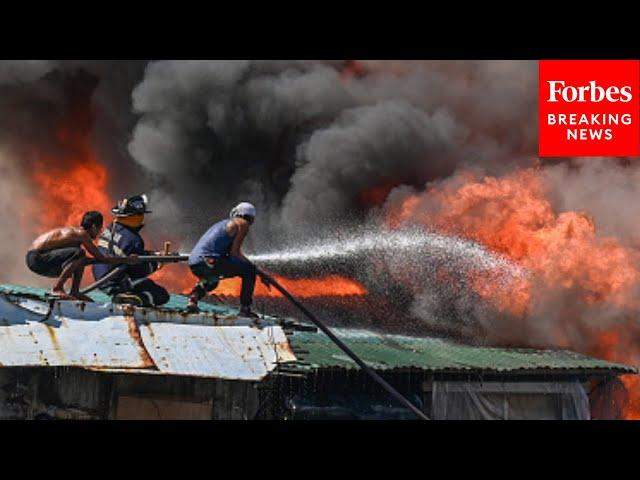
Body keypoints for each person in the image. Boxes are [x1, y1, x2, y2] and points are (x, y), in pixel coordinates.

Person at [26, 211, 138, 301]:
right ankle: (57, 288)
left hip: (37, 259)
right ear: (94, 227)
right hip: (36, 258)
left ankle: (75, 291)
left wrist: (94, 261)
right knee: (79, 253)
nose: (99, 233)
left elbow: (85, 261)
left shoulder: (76, 234)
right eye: (99, 229)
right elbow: (102, 258)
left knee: (80, 257)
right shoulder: (81, 234)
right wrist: (127, 259)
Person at [186, 202, 265, 317]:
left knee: (212, 280)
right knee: (249, 270)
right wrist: (255, 269)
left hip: (195, 263)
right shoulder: (242, 223)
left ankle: (193, 301)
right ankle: (245, 309)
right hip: (210, 262)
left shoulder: (222, 223)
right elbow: (235, 253)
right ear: (251, 218)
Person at [92, 194, 170, 307]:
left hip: (100, 277)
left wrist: (154, 255)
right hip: (116, 281)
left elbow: (128, 253)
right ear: (136, 216)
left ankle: (124, 294)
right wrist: (156, 263)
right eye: (141, 214)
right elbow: (138, 270)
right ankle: (132, 299)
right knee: (161, 295)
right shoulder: (133, 239)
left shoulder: (111, 228)